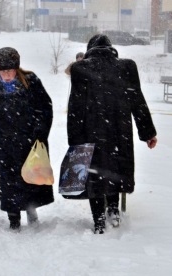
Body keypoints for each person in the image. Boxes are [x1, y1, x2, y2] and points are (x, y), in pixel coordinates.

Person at [67, 34, 157, 234]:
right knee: (115, 169)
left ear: (90, 50)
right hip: (118, 131)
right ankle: (114, 210)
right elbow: (138, 102)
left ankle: (98, 220)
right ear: (110, 49)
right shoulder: (126, 68)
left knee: (94, 173)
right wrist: (148, 133)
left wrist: (74, 140)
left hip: (90, 131)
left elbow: (75, 107)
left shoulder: (80, 69)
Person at [0, 47, 54, 231]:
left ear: (16, 68)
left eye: (10, 71)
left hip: (28, 141)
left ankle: (31, 213)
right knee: (8, 181)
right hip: (3, 143)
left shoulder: (31, 81)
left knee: (29, 178)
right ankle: (14, 219)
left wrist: (40, 132)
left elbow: (45, 108)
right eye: (3, 71)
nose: (7, 75)